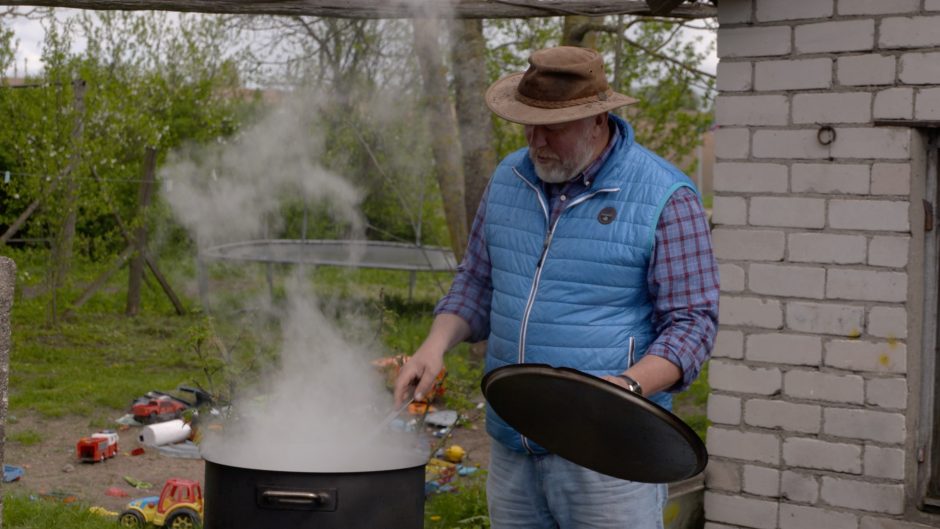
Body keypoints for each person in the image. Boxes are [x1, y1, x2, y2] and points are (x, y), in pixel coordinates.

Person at [394, 45, 719, 528]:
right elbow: (477, 280)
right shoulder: (508, 179)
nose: (537, 140)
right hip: (512, 445)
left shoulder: (666, 197)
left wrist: (626, 388)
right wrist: (433, 346)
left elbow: (693, 325)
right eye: (529, 123)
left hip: (610, 455)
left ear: (597, 120)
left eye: (554, 127)